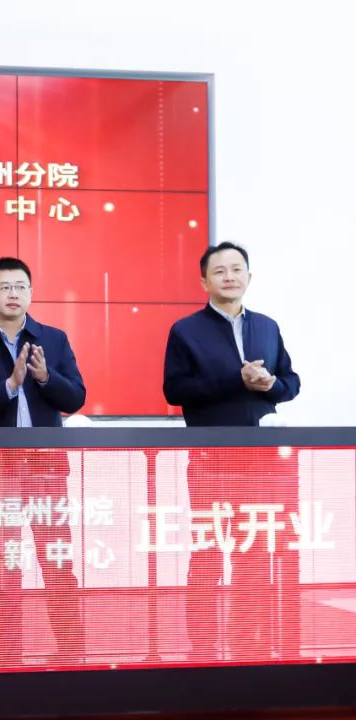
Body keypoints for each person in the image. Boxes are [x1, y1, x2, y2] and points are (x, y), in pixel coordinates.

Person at [163, 241, 301, 661]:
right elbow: (175, 390)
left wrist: (271, 385)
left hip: (262, 463)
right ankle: (203, 648)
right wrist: (234, 380)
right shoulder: (186, 330)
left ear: (249, 277)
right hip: (212, 461)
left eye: (236, 269)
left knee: (254, 556)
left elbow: (292, 383)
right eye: (219, 271)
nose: (229, 277)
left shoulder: (268, 326)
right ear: (204, 281)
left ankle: (248, 643)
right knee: (208, 555)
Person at [0, 256, 86, 667]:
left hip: (45, 467)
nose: (13, 294)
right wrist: (10, 386)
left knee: (56, 559)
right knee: (1, 564)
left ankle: (71, 648)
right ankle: (7, 647)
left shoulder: (54, 340)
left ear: (30, 292)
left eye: (20, 286)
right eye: (5, 286)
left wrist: (45, 378)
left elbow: (76, 397)